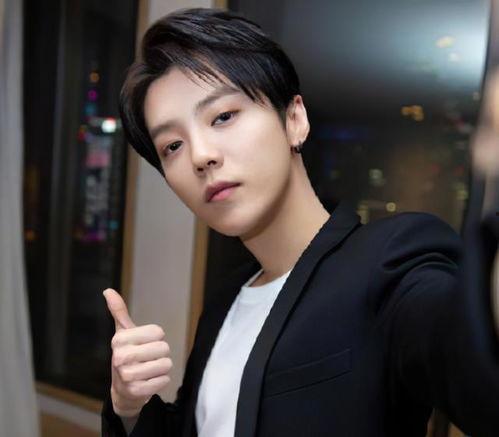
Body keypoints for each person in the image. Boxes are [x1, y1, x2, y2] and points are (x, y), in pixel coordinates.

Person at [101, 7, 499, 437]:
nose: (201, 155)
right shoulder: (221, 306)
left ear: (294, 120)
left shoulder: (388, 264)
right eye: (173, 146)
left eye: (223, 117)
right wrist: (129, 405)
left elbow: (467, 363)